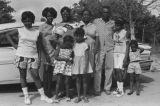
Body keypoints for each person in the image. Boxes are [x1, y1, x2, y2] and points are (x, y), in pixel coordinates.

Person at [7, 11, 53, 105]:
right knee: (23, 76)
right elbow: (7, 35)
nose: (27, 23)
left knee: (36, 75)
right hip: (21, 55)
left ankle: (43, 96)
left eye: (29, 20)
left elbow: (40, 46)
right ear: (23, 21)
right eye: (25, 21)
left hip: (33, 56)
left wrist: (43, 56)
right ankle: (26, 97)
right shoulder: (19, 30)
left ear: (32, 21)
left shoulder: (37, 32)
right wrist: (14, 45)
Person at [94, 6, 115, 95]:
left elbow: (116, 34)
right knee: (98, 68)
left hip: (110, 48)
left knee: (109, 68)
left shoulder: (113, 23)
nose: (105, 14)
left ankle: (107, 88)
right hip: (100, 48)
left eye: (107, 12)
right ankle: (97, 89)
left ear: (109, 13)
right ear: (101, 13)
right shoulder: (96, 21)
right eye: (104, 12)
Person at [39, 7, 57, 98]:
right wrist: (45, 54)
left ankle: (49, 89)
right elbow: (39, 41)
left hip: (53, 51)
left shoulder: (55, 27)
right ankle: (46, 91)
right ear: (45, 16)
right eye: (48, 16)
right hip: (45, 51)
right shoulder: (42, 26)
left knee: (50, 72)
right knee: (46, 72)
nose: (50, 17)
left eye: (52, 16)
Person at [72, 28, 93, 103]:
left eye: (80, 36)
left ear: (83, 36)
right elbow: (72, 55)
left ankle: (84, 96)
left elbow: (87, 57)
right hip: (76, 64)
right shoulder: (73, 44)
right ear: (75, 36)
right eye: (76, 36)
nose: (78, 38)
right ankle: (78, 96)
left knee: (84, 81)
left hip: (84, 64)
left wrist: (85, 67)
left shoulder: (85, 44)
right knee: (77, 80)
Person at [54, 35, 74, 102]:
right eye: (67, 42)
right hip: (60, 66)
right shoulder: (59, 47)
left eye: (70, 42)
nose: (68, 44)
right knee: (58, 82)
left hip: (68, 66)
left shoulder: (71, 48)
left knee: (67, 82)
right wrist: (65, 59)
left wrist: (71, 60)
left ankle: (67, 96)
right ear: (64, 42)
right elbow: (56, 57)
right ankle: (56, 97)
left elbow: (72, 57)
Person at [112, 18, 129, 97]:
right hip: (115, 53)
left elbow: (128, 45)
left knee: (120, 71)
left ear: (122, 26)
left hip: (122, 53)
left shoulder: (125, 33)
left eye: (118, 25)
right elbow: (115, 44)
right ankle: (118, 88)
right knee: (116, 71)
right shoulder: (114, 33)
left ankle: (121, 90)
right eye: (116, 25)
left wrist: (126, 57)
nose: (117, 26)